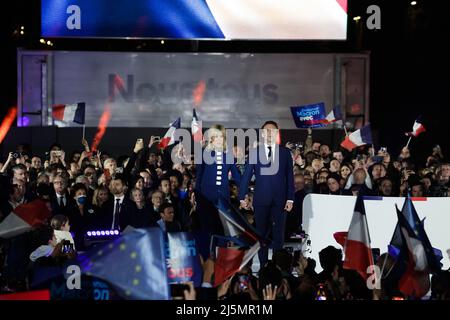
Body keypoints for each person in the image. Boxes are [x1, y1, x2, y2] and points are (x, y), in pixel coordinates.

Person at [239, 120, 294, 267]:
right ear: (262, 134)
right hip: (261, 200)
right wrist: (241, 196)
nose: (269, 133)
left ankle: (278, 265)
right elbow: (246, 176)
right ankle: (263, 265)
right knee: (260, 235)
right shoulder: (254, 153)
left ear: (277, 133)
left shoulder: (285, 153)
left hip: (280, 201)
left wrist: (290, 199)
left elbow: (290, 177)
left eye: (272, 131)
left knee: (278, 235)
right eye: (267, 131)